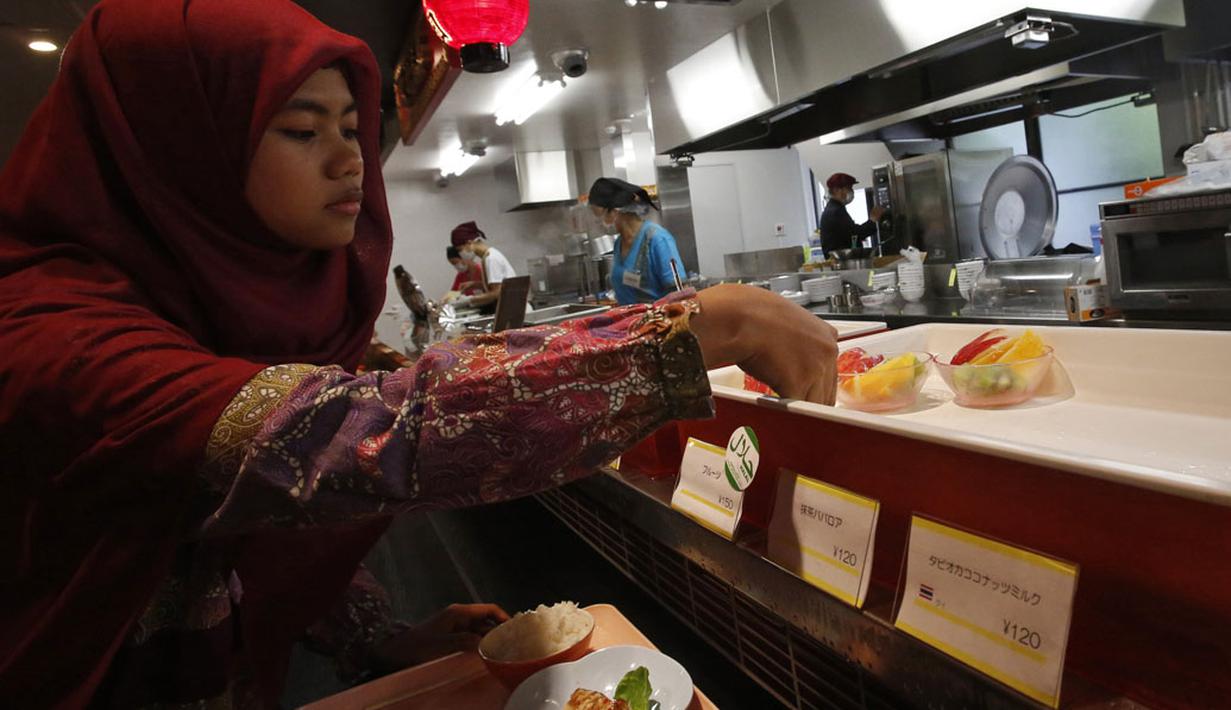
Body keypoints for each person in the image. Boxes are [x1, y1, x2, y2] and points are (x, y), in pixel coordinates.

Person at [0, 0, 838, 706]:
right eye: (300, 129)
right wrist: (683, 335)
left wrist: (371, 635)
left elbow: (225, 528)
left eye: (350, 128)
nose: (350, 162)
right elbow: (333, 440)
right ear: (177, 151)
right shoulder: (48, 332)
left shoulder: (236, 310)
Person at [588, 177, 686, 305]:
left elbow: (680, 291)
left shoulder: (658, 240)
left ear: (615, 211)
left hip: (656, 321)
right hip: (629, 321)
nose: (597, 222)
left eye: (599, 215)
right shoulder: (619, 243)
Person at [449, 221, 519, 314]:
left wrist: (469, 300)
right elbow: (498, 285)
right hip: (510, 309)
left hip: (513, 310)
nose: (461, 254)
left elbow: (496, 293)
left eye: (460, 250)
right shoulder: (488, 256)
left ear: (469, 243)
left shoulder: (491, 259)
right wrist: (475, 284)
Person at [820, 172, 887, 255]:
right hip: (842, 262)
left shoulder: (834, 209)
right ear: (836, 190)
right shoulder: (835, 212)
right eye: (848, 188)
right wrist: (872, 220)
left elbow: (851, 236)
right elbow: (855, 235)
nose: (851, 191)